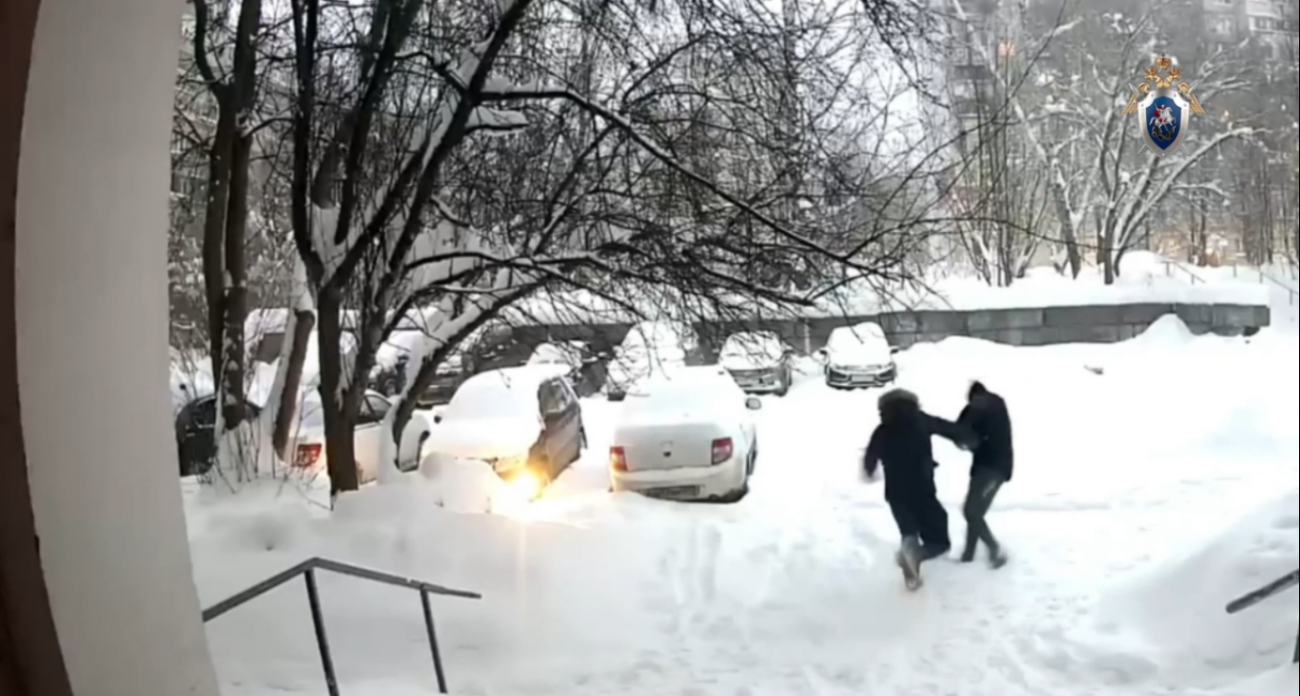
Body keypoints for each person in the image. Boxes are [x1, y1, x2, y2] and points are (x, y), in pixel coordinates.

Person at [863, 388, 972, 588]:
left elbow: (870, 456)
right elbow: (948, 428)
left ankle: (911, 567)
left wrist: (869, 470)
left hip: (895, 491)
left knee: (908, 530)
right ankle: (918, 555)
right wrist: (967, 436)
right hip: (921, 487)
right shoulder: (921, 420)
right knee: (938, 535)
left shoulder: (883, 429)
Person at [956, 381, 1013, 568]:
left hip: (995, 470)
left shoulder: (987, 407)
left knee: (972, 511)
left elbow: (964, 432)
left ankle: (995, 549)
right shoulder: (987, 406)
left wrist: (965, 439)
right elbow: (962, 431)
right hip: (985, 467)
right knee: (974, 512)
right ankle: (968, 554)